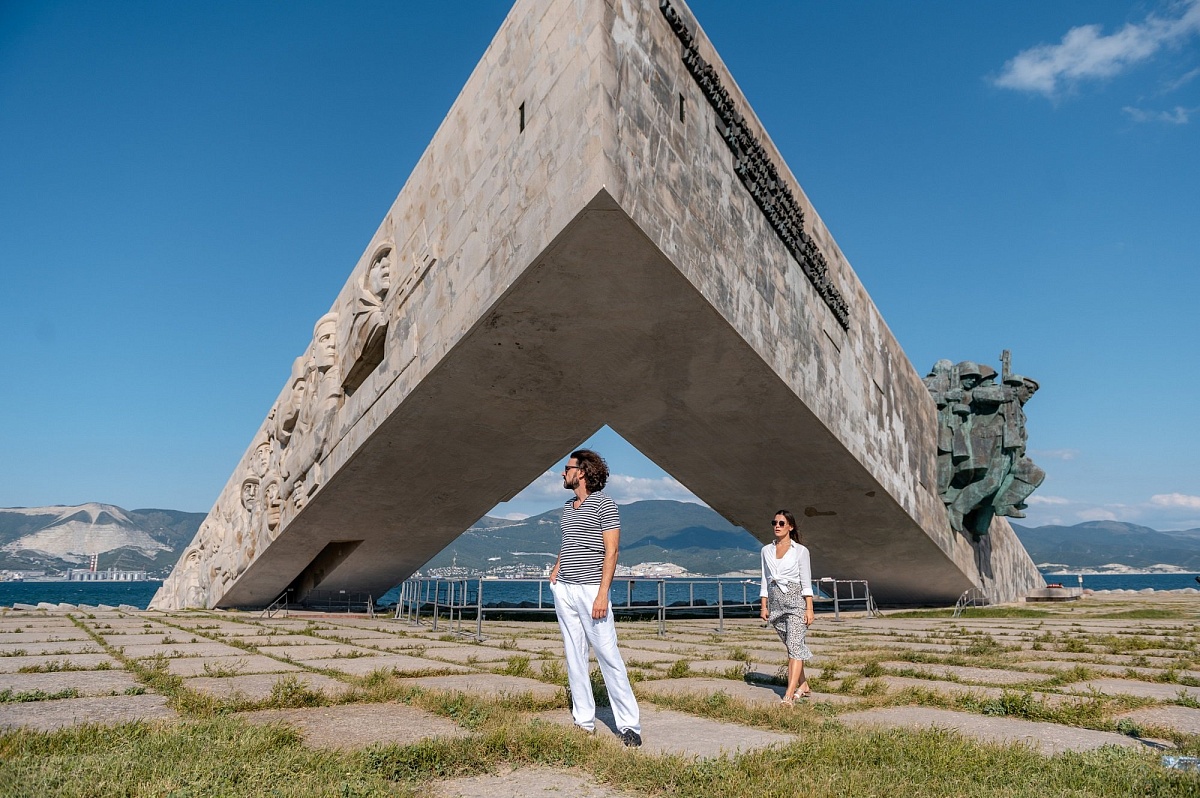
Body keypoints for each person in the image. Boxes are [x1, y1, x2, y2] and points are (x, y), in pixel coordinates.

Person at [549, 449, 642, 747]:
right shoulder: (568, 507)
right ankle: (584, 721)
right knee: (574, 656)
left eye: (567, 468)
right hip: (565, 589)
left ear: (582, 472)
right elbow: (570, 541)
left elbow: (611, 552)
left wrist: (602, 594)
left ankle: (629, 725)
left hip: (592, 590)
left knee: (608, 656)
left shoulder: (605, 504)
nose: (562, 473)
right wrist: (557, 567)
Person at [760, 509, 815, 705]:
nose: (777, 526)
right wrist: (763, 605)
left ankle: (789, 695)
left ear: (790, 527)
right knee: (793, 647)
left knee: (794, 647)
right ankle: (804, 685)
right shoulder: (766, 550)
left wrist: (809, 608)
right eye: (774, 522)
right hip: (776, 603)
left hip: (795, 602)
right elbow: (765, 579)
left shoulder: (800, 551)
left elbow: (806, 581)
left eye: (781, 523)